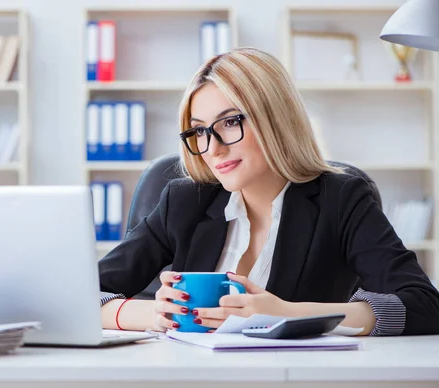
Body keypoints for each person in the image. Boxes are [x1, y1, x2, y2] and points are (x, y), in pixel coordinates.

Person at [98, 47, 439, 336]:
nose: (212, 149)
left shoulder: (342, 199)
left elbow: (424, 306)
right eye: (199, 131)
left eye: (230, 122)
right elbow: (79, 294)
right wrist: (153, 314)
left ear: (274, 119)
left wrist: (288, 313)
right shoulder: (184, 201)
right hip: (191, 379)